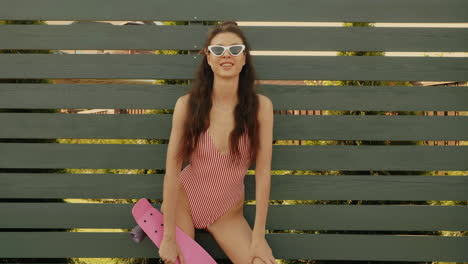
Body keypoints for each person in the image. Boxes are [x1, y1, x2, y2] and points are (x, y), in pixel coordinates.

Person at [158, 21, 276, 264]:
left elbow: (263, 173)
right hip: (185, 200)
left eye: (235, 50)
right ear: (208, 58)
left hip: (227, 215)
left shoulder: (261, 108)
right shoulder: (187, 106)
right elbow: (172, 170)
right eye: (218, 50)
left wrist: (258, 237)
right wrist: (169, 235)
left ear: (244, 59)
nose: (227, 56)